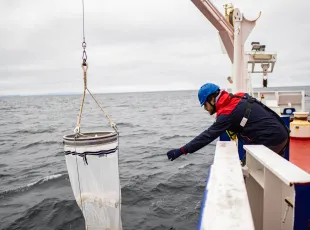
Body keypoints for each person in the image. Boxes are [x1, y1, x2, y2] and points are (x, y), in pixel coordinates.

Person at [166, 83, 290, 161]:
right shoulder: (237, 97)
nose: (205, 109)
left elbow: (207, 136)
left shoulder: (227, 113)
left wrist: (182, 150)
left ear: (212, 100)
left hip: (272, 140)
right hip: (282, 133)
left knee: (250, 173)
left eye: (205, 105)